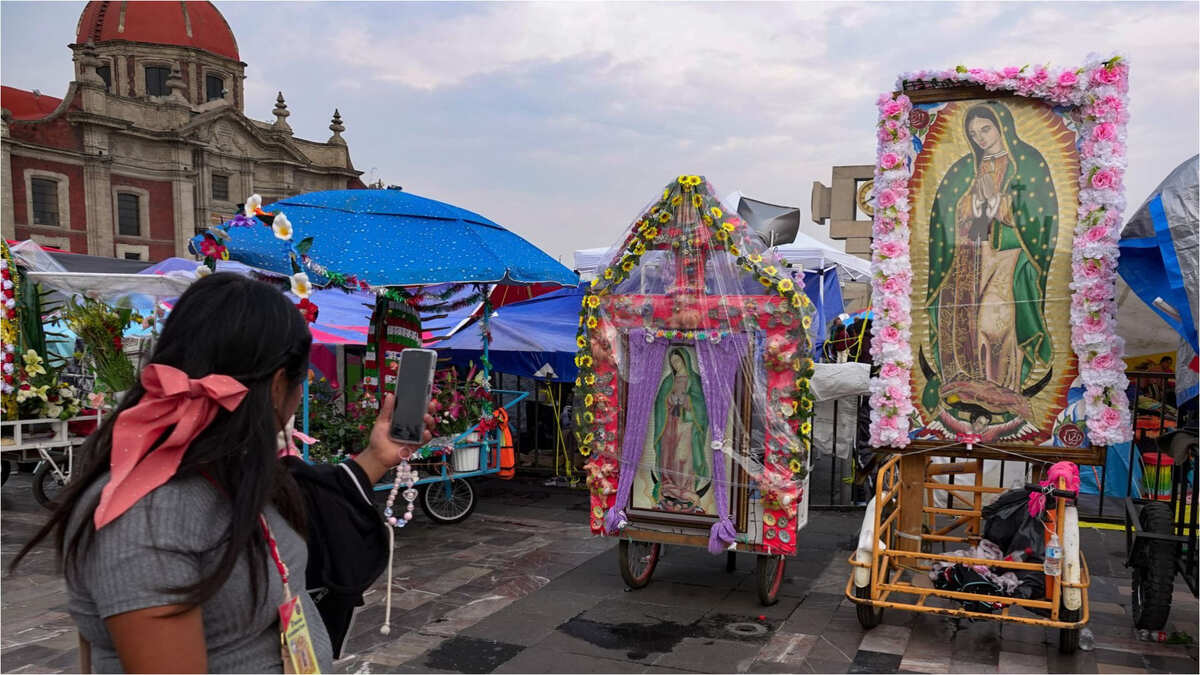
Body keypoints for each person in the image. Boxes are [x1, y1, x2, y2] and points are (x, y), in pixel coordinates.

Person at [10, 273, 434, 673]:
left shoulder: (232, 472)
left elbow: (314, 502)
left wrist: (378, 457)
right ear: (277, 386)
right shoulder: (147, 517)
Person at [923, 101, 1058, 428]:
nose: (980, 137)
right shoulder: (964, 168)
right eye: (973, 133)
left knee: (995, 322)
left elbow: (1041, 214)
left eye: (985, 129)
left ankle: (1002, 389)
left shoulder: (1028, 162)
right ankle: (965, 383)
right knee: (965, 320)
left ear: (1002, 126)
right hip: (969, 254)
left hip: (1007, 253)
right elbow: (945, 213)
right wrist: (968, 205)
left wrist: (1000, 205)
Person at [651, 348, 709, 513]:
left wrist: (688, 400)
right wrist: (668, 400)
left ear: (686, 360)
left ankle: (686, 489)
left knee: (684, 457)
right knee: (668, 456)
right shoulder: (668, 381)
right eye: (673, 362)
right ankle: (669, 486)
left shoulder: (696, 380)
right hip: (669, 425)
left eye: (678, 361)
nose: (676, 365)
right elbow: (659, 403)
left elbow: (702, 406)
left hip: (687, 426)